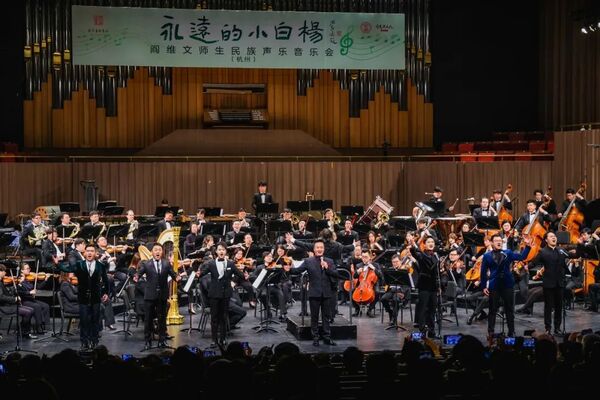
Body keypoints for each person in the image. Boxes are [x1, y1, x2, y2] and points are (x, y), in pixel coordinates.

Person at [284, 239, 341, 346]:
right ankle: (315, 338)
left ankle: (327, 337)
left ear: (324, 249)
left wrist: (327, 268)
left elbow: (335, 274)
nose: (319, 249)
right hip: (314, 293)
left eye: (321, 247)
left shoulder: (330, 261)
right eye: (317, 247)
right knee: (314, 317)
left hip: (327, 293)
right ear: (314, 249)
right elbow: (298, 271)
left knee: (326, 317)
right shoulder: (308, 261)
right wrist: (289, 269)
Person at [58, 244, 110, 350]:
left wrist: (106, 293)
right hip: (83, 297)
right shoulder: (79, 264)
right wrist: (58, 264)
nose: (90, 253)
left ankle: (94, 341)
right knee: (84, 321)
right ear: (85, 253)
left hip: (96, 297)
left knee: (95, 320)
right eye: (88, 251)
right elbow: (67, 269)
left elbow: (105, 281)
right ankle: (84, 342)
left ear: (95, 253)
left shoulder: (100, 266)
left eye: (92, 251)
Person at [480, 234, 531, 338]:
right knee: (492, 309)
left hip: (507, 284)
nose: (499, 242)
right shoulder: (487, 256)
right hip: (494, 285)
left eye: (500, 240)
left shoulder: (508, 252)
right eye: (496, 241)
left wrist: (528, 246)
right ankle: (491, 332)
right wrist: (484, 286)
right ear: (492, 243)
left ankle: (511, 331)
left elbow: (522, 257)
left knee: (509, 309)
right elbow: (483, 272)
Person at [133, 243, 180, 349]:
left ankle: (162, 341)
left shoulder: (166, 263)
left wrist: (177, 277)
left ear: (162, 252)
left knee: (162, 319)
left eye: (159, 250)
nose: (157, 252)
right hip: (150, 295)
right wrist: (136, 277)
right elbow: (139, 273)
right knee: (148, 319)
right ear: (152, 252)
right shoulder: (147, 264)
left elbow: (173, 274)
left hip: (162, 295)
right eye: (155, 250)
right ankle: (147, 341)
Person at [197, 242, 244, 347]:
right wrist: (198, 274)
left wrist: (244, 275)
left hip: (226, 294)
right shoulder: (211, 264)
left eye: (223, 249)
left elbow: (239, 274)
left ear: (225, 251)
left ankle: (223, 338)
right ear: (216, 252)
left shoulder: (230, 264)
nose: (221, 251)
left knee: (223, 317)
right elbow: (202, 273)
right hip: (214, 294)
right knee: (214, 318)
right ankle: (214, 340)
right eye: (219, 249)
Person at [532, 231, 577, 335]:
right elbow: (534, 263)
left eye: (555, 236)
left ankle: (557, 328)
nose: (554, 238)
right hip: (548, 283)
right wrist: (525, 266)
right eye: (551, 236)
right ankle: (548, 328)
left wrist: (581, 247)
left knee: (559, 307)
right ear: (546, 240)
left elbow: (572, 255)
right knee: (548, 307)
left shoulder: (561, 250)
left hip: (559, 283)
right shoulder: (543, 251)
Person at [407, 235, 440, 337]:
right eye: (429, 242)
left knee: (432, 309)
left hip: (433, 286)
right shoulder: (422, 255)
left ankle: (431, 331)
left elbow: (437, 273)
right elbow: (416, 253)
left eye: (432, 242)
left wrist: (439, 286)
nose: (431, 243)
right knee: (423, 308)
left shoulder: (435, 256)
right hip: (424, 285)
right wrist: (413, 245)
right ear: (424, 245)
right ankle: (422, 330)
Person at [0, 264, 37, 339]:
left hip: (9, 305)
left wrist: (18, 284)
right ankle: (24, 332)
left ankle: (23, 331)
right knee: (28, 312)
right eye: (4, 271)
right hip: (4, 307)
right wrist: (14, 299)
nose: (5, 273)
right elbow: (1, 297)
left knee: (31, 310)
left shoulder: (1, 281)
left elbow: (8, 292)